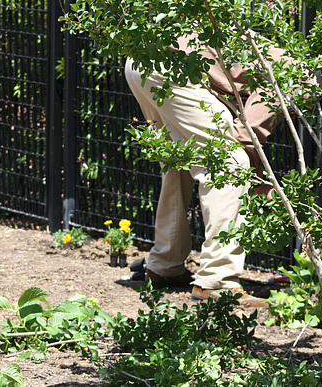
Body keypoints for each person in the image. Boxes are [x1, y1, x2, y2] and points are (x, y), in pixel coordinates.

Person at [124, 34, 304, 307]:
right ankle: (217, 280)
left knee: (179, 164)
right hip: (170, 68)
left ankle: (166, 264)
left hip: (142, 59)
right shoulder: (295, 79)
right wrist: (263, 187)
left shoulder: (272, 54)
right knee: (230, 162)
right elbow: (246, 140)